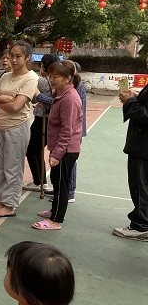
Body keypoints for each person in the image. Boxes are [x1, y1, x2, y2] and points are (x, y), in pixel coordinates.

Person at [0, 41, 38, 218]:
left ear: (27, 57)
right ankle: (1, 201)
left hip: (17, 127)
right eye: (11, 56)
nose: (13, 60)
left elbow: (16, 106)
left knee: (12, 167)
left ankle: (10, 204)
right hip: (0, 126)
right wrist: (3, 99)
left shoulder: (31, 78)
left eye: (18, 56)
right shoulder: (6, 76)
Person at [33, 61, 83, 231]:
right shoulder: (60, 94)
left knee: (61, 185)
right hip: (59, 147)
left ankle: (56, 220)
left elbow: (67, 130)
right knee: (56, 180)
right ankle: (54, 210)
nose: (51, 79)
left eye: (56, 76)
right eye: (50, 75)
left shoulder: (69, 98)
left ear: (68, 78)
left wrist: (57, 154)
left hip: (66, 150)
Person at [112, 79, 148, 240]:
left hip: (144, 147)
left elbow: (145, 114)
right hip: (141, 144)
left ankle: (141, 225)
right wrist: (136, 97)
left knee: (140, 186)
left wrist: (130, 101)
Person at [23, 54, 59, 192]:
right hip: (51, 119)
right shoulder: (57, 82)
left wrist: (39, 96)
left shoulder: (42, 81)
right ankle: (41, 181)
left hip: (42, 119)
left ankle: (39, 181)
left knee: (32, 149)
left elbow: (33, 99)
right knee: (37, 149)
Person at [67, 61, 87, 202]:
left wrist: (39, 96)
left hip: (74, 131)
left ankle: (70, 192)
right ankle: (63, 189)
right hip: (73, 129)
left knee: (70, 161)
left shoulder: (76, 88)